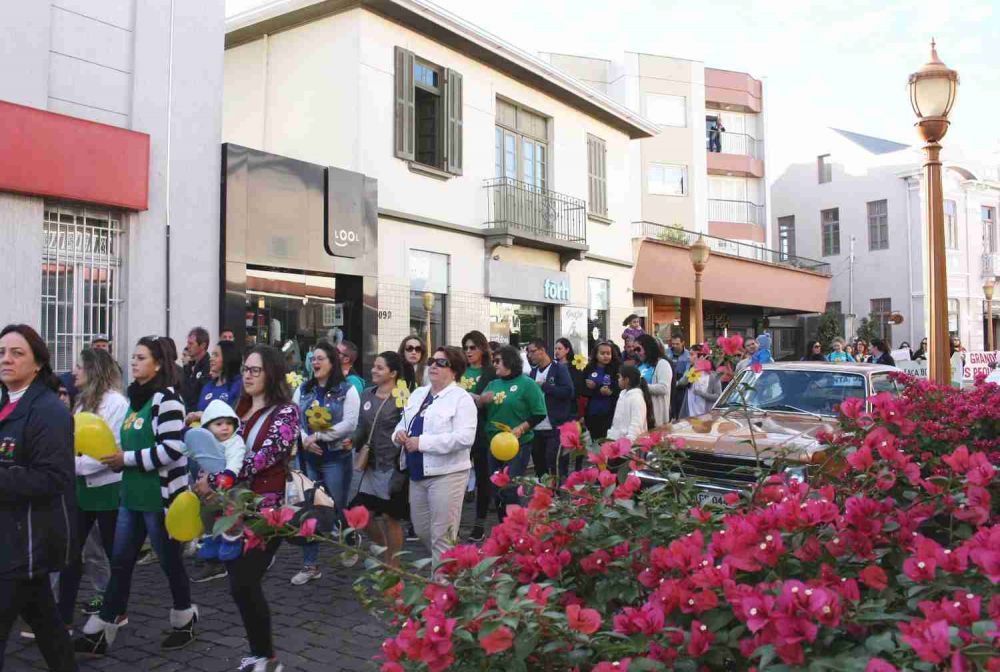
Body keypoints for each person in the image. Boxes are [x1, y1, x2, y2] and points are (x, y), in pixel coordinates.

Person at [74, 336, 197, 656]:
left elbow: (172, 450)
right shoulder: (135, 400)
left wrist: (124, 459)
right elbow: (127, 442)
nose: (133, 362)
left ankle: (185, 616)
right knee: (122, 563)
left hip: (158, 499)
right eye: (133, 357)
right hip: (131, 496)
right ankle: (102, 628)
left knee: (170, 562)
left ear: (158, 364)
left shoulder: (167, 399)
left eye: (141, 357)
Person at [197, 345, 299, 672]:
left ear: (272, 373)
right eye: (245, 369)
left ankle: (266, 657)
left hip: (267, 511)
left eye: (255, 369)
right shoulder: (236, 408)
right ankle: (260, 653)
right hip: (233, 508)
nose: (248, 375)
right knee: (240, 584)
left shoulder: (286, 412)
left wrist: (219, 476)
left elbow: (262, 458)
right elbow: (217, 449)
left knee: (244, 581)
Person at [0, 325, 78, 672]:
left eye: (17, 353)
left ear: (37, 363)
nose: (6, 359)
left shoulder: (48, 409)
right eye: (2, 352)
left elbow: (53, 477)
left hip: (24, 542)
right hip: (11, 540)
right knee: (47, 624)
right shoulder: (6, 400)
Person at [57, 348, 129, 628]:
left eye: (79, 366)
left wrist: (74, 465)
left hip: (109, 489)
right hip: (82, 489)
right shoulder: (82, 402)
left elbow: (108, 451)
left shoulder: (116, 403)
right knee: (70, 553)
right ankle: (62, 615)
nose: (74, 371)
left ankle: (118, 610)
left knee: (114, 554)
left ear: (93, 370)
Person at [392, 346, 477, 565]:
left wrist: (422, 443)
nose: (433, 366)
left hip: (447, 474)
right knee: (421, 530)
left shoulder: (461, 398)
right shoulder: (419, 393)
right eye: (432, 361)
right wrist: (399, 434)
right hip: (417, 473)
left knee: (441, 537)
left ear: (454, 370)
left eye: (441, 363)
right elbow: (403, 423)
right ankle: (456, 562)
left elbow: (465, 438)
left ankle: (442, 591)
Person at [291, 341, 359, 586]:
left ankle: (350, 539)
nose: (315, 362)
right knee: (311, 510)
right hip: (309, 459)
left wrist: (319, 436)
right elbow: (293, 419)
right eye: (313, 358)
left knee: (336, 506)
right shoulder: (303, 390)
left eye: (321, 358)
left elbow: (350, 423)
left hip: (336, 459)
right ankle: (310, 565)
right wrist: (305, 440)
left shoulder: (347, 389)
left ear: (332, 362)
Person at [349, 352, 411, 567]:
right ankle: (383, 546)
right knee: (359, 513)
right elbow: (361, 426)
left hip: (391, 465)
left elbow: (409, 427)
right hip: (370, 465)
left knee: (389, 516)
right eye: (374, 366)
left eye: (380, 368)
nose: (374, 370)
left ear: (393, 373)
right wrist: (352, 440)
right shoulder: (367, 394)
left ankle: (393, 564)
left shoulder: (403, 395)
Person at [184, 400, 246, 583]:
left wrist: (227, 476)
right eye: (218, 424)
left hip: (229, 489)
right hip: (207, 491)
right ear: (207, 427)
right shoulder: (205, 442)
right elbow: (189, 451)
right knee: (207, 518)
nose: (225, 428)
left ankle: (232, 547)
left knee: (231, 517)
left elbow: (235, 461)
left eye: (228, 423)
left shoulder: (235, 442)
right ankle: (212, 553)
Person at [482, 345, 547, 521]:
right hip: (494, 443)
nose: (494, 364)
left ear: (509, 362)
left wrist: (521, 428)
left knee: (510, 486)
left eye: (497, 361)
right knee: (496, 485)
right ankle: (502, 524)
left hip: (518, 444)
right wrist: (479, 400)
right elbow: (480, 407)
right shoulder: (492, 384)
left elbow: (539, 413)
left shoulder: (527, 384)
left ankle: (515, 524)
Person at [459, 331, 495, 542]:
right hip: (459, 428)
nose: (469, 351)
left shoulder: (490, 372)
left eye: (473, 347)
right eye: (466, 348)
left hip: (481, 430)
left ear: (482, 349)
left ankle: (479, 522)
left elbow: (485, 400)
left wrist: (473, 398)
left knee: (483, 477)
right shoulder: (460, 371)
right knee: (457, 475)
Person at [526, 340, 576, 479]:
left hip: (554, 425)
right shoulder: (533, 372)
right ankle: (543, 493)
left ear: (542, 350)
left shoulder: (559, 368)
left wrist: (546, 387)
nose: (530, 355)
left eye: (532, 351)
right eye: (528, 352)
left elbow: (569, 392)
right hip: (537, 426)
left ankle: (559, 494)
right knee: (539, 464)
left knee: (555, 464)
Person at [185, 340, 243, 426]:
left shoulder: (239, 384)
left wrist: (203, 415)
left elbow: (234, 416)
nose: (211, 358)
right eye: (212, 354)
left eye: (216, 355)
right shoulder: (208, 387)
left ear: (228, 358)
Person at [581, 341, 620, 442]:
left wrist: (611, 392)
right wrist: (594, 388)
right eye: (602, 353)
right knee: (595, 442)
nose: (606, 356)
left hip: (610, 412)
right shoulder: (589, 368)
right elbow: (581, 389)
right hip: (592, 412)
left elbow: (620, 388)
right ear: (596, 354)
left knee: (607, 442)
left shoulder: (616, 369)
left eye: (608, 353)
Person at [607, 364, 654, 442]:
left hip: (630, 447)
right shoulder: (623, 395)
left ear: (626, 380)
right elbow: (616, 422)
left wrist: (628, 444)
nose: (618, 380)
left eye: (620, 377)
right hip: (618, 443)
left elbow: (636, 425)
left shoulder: (636, 398)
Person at [634, 334, 672, 428]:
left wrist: (642, 386)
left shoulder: (662, 364)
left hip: (655, 415)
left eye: (638, 349)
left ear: (647, 347)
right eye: (635, 350)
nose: (636, 353)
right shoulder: (639, 365)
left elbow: (664, 388)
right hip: (641, 413)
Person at [683, 352, 724, 418]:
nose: (689, 357)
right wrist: (694, 367)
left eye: (692, 355)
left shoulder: (713, 376)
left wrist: (702, 394)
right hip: (690, 415)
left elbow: (718, 396)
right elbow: (682, 382)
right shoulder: (693, 372)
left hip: (705, 416)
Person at [553, 337, 585, 418]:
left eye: (560, 348)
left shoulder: (574, 367)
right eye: (555, 348)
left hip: (570, 407)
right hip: (555, 407)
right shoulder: (552, 365)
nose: (557, 351)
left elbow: (578, 387)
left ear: (567, 350)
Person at [181, 327, 211, 411]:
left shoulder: (208, 366)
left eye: (191, 344)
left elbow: (197, 394)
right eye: (188, 343)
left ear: (203, 345)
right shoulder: (189, 365)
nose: (187, 346)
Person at [665, 334, 691, 420]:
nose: (674, 346)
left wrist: (677, 383)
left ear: (683, 343)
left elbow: (687, 373)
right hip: (668, 383)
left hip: (681, 386)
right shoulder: (666, 353)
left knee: (680, 411)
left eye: (677, 344)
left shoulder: (688, 355)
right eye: (673, 344)